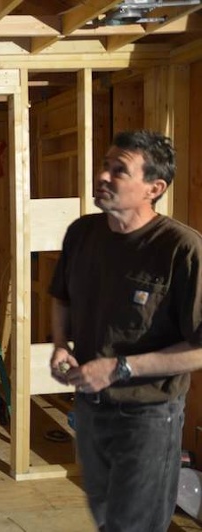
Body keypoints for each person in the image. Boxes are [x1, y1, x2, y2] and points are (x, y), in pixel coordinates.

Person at [49, 129, 202, 531]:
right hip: (90, 407)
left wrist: (121, 368)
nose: (103, 175)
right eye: (105, 164)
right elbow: (61, 296)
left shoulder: (181, 249)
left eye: (119, 170)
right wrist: (61, 345)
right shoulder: (82, 234)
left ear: (154, 187)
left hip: (148, 416)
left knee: (134, 525)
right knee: (106, 516)